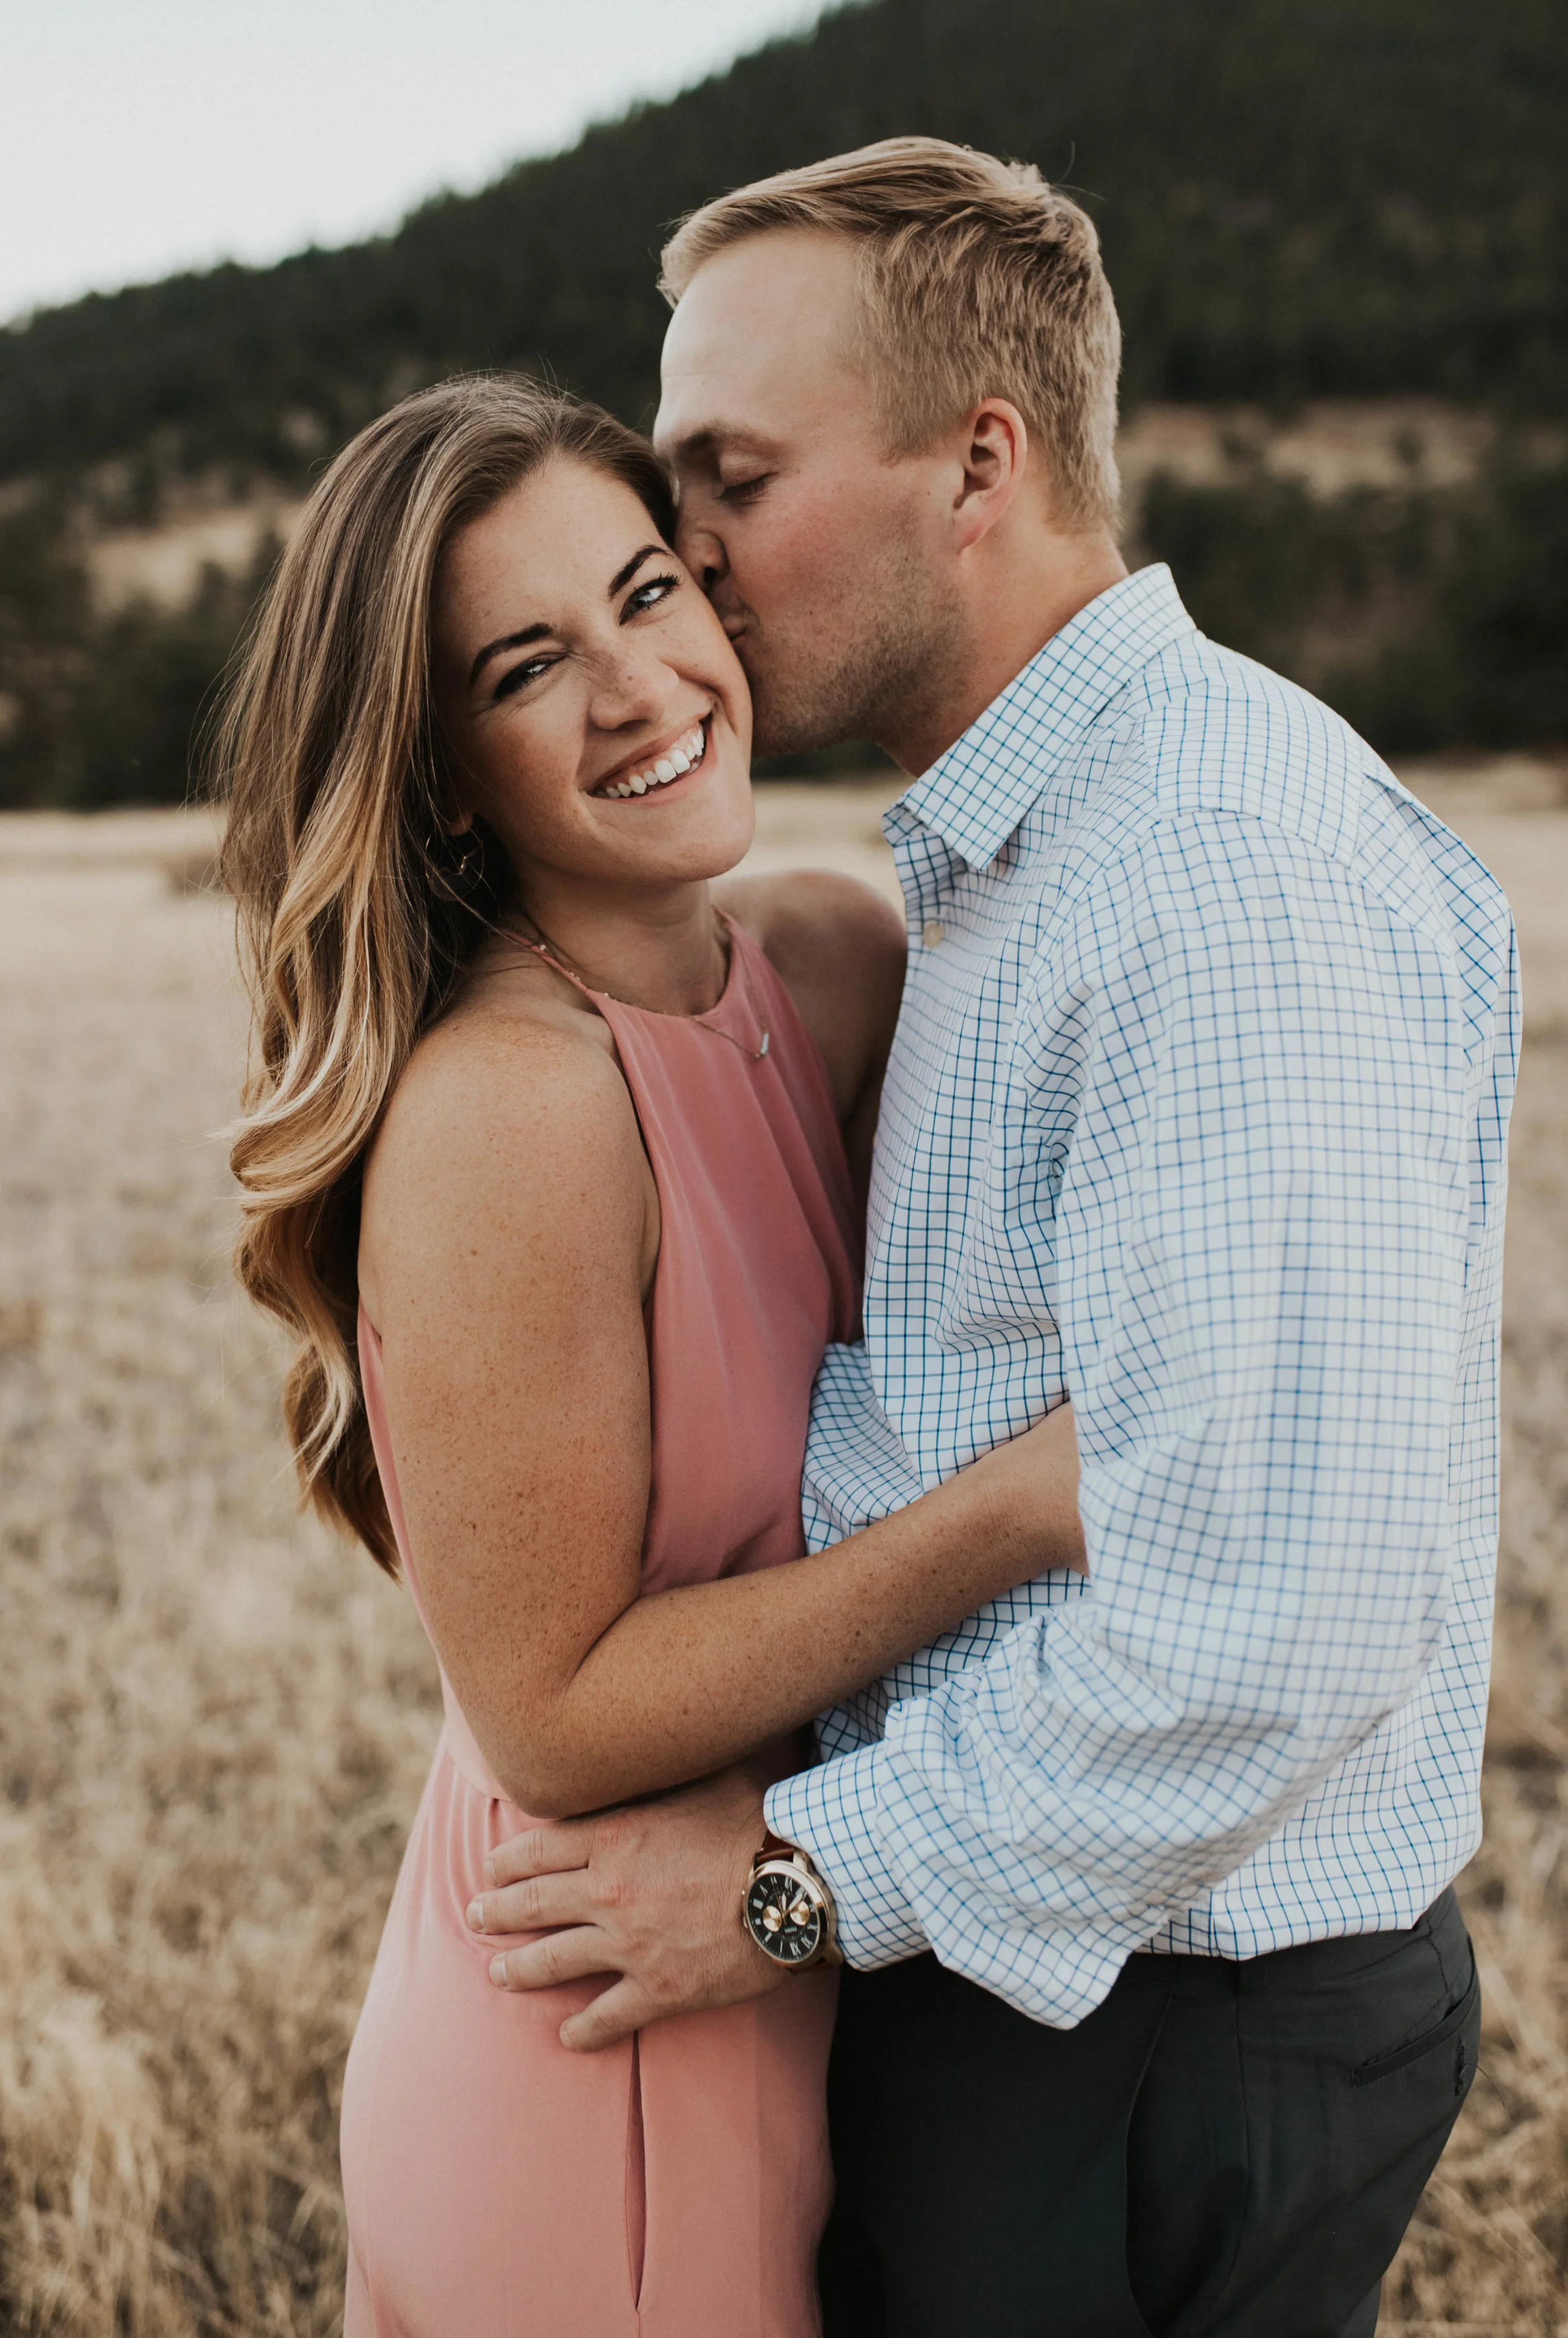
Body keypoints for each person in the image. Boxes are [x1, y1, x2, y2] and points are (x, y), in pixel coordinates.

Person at [472, 140, 1521, 2337]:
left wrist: (782, 1891)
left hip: (1151, 2027)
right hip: (1065, 1978)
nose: (689, 556)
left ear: (978, 462)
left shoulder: (1203, 877)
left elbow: (1269, 1623)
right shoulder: (1023, 852)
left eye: (730, 477)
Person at [218, 373, 1085, 2337]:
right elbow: (552, 1709)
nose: (636, 687)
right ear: (439, 772)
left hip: (781, 1961)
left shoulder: (823, 960)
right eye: (527, 663)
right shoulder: (508, 1109)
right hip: (601, 2042)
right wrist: (1017, 1512)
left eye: (643, 592)